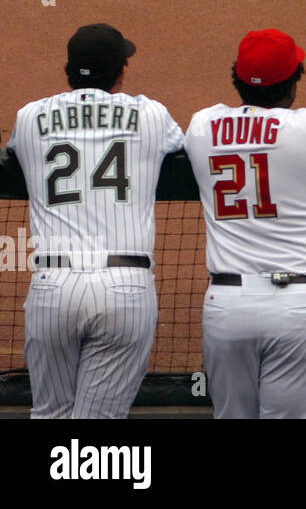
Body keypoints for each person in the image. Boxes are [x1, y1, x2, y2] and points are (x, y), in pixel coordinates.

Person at [185, 28, 306, 419]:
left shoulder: (202, 126)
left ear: (236, 77)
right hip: (304, 306)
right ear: (293, 82)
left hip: (229, 304)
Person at [6, 24, 184, 418]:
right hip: (126, 288)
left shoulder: (30, 116)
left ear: (67, 71)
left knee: (50, 414)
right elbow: (183, 149)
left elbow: (15, 152)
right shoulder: (152, 115)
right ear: (120, 73)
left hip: (53, 288)